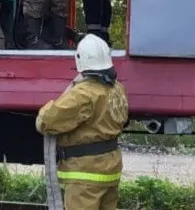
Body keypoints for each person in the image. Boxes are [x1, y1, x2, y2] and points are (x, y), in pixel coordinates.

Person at [35, 34, 129, 210]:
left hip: (85, 173)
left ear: (80, 60)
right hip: (110, 166)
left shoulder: (82, 94)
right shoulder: (117, 88)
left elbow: (47, 122)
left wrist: (47, 108)